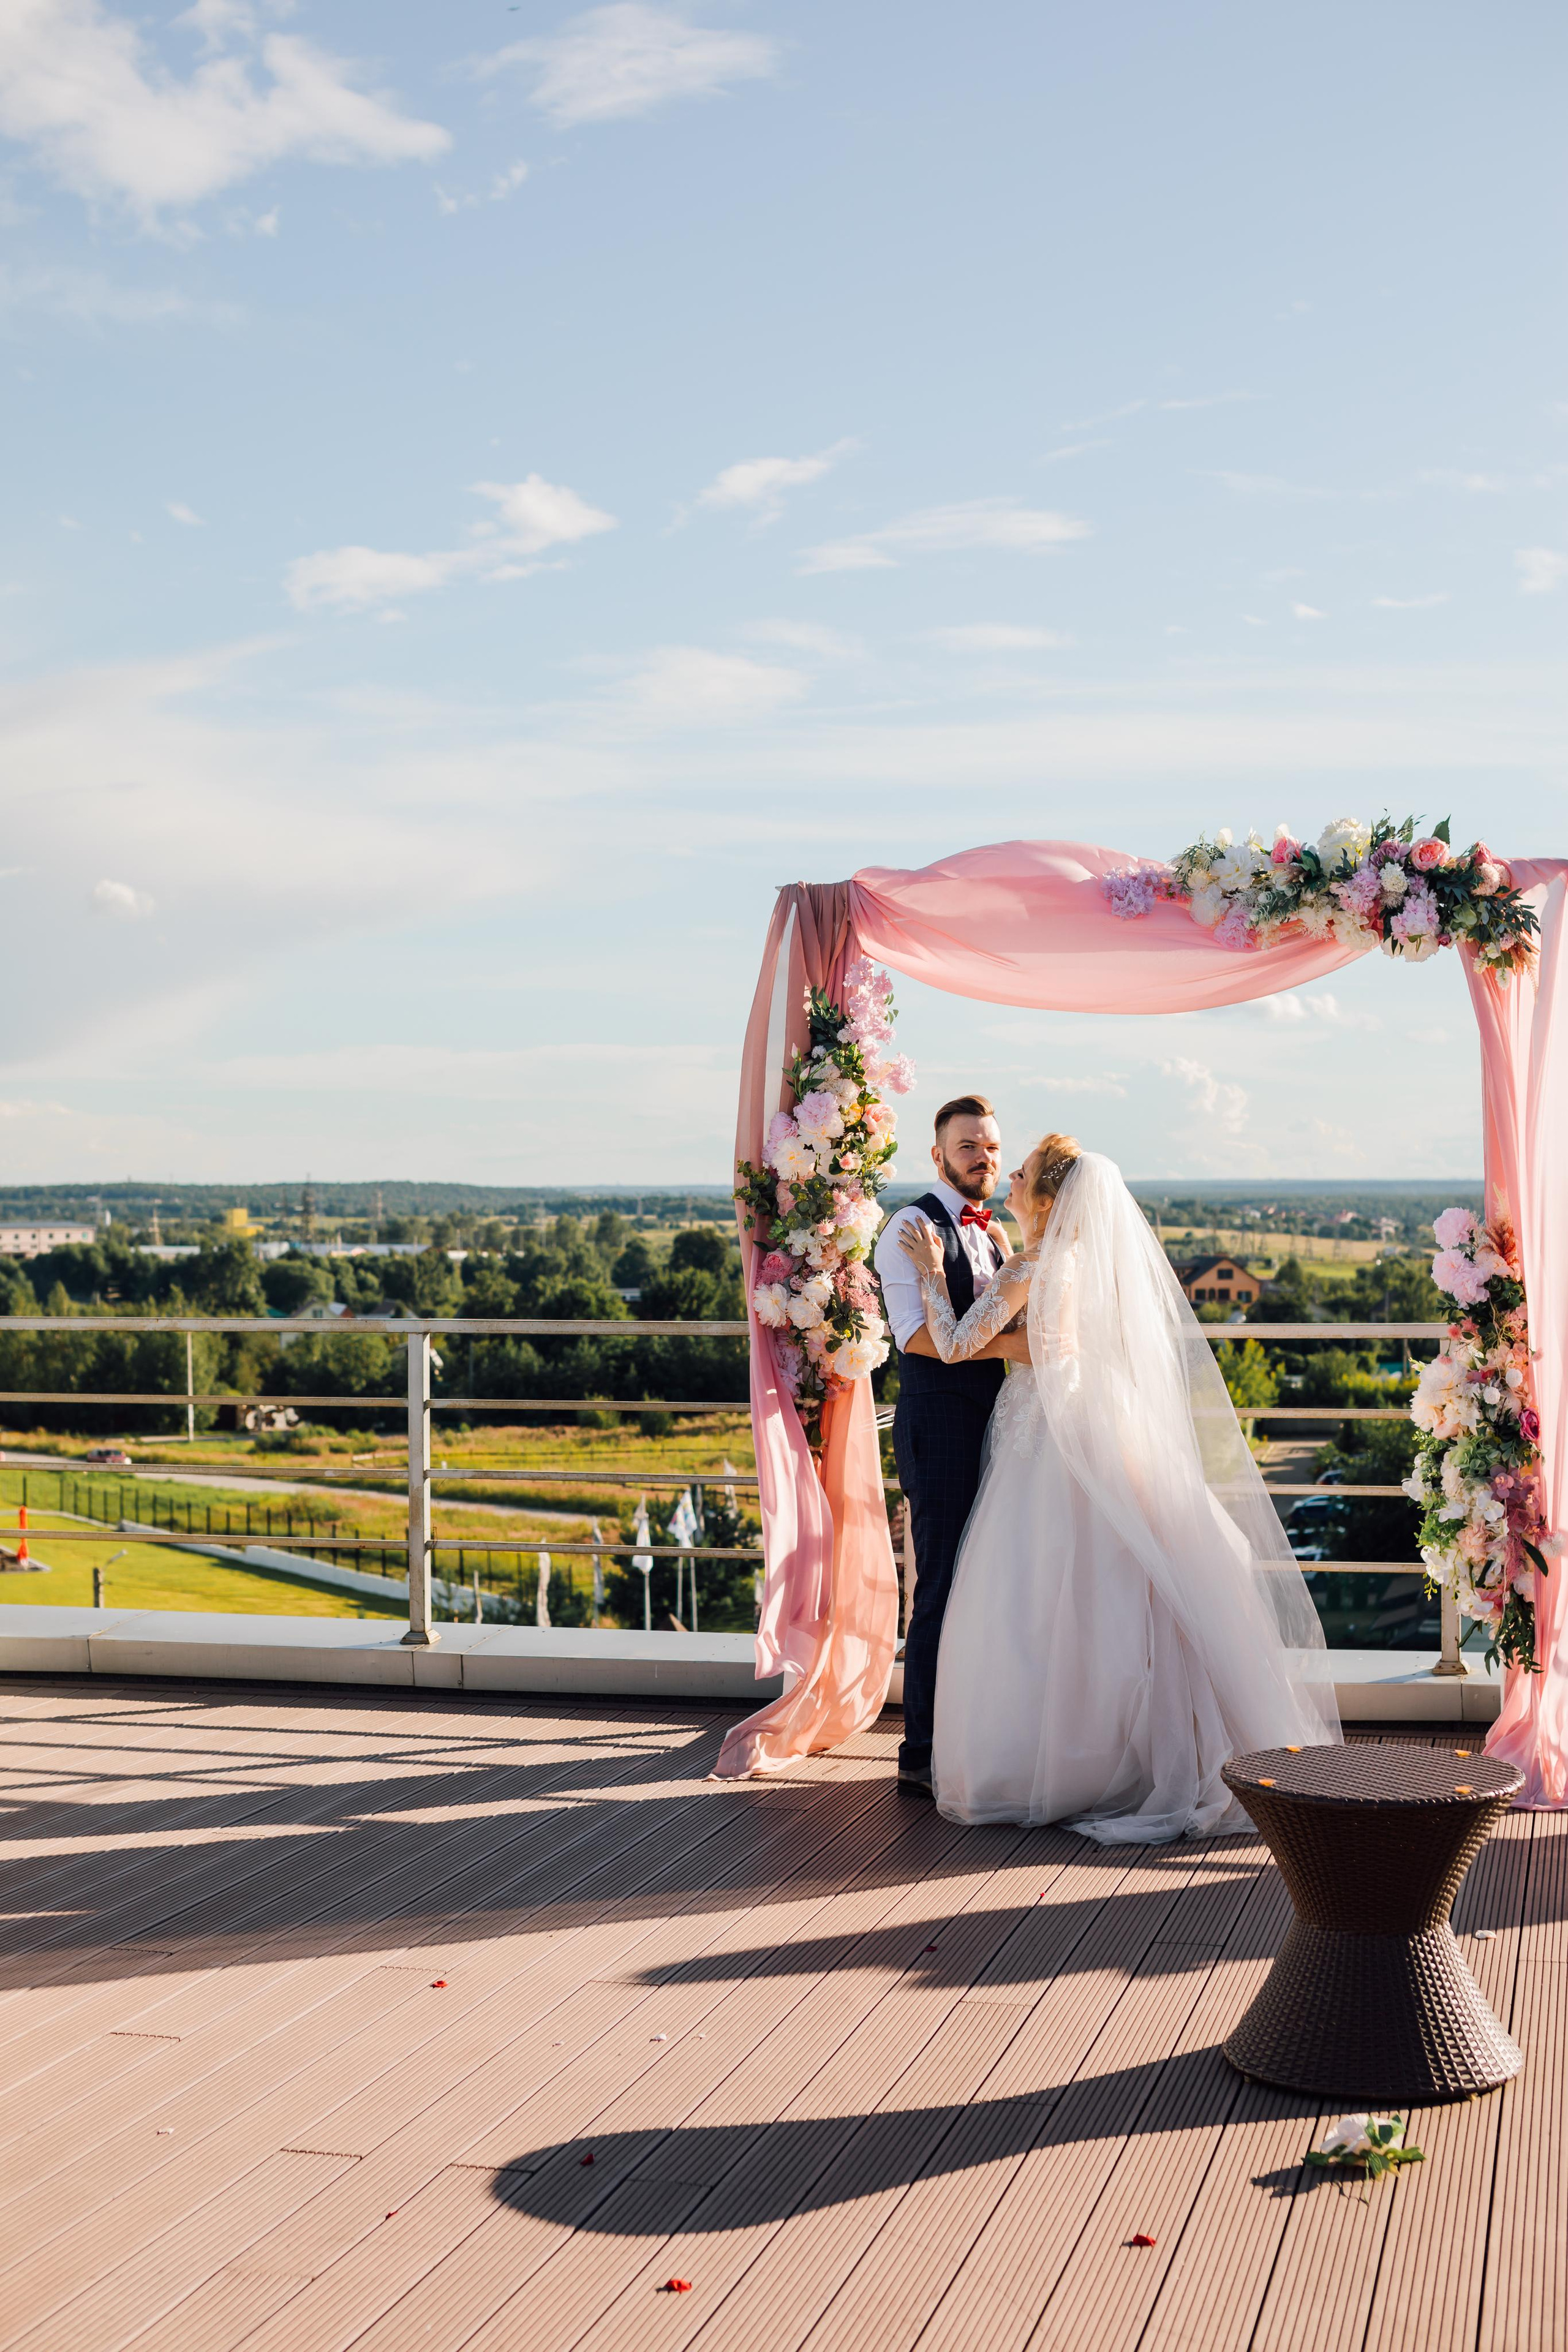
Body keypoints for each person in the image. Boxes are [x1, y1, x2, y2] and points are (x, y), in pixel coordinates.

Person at [897, 1137, 1340, 1840]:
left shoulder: (1032, 1261)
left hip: (1044, 1424)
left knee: (1037, 1587)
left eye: (1023, 1171)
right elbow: (1062, 1340)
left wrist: (927, 1274)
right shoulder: (1081, 1261)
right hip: (1098, 1412)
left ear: (1046, 1199)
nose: (1007, 1174)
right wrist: (1026, 1343)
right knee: (1117, 1578)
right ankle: (1138, 1748)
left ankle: (1064, 1757)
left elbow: (950, 1343)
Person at [873, 1095, 1031, 1794]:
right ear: (937, 1156)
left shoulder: (996, 1237)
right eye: (968, 1146)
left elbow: (980, 1332)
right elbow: (912, 1336)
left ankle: (979, 1733)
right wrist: (1020, 1349)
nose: (984, 1157)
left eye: (991, 1146)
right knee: (937, 1584)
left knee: (990, 1581)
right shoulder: (910, 1225)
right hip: (938, 1424)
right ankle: (923, 1752)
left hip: (999, 1423)